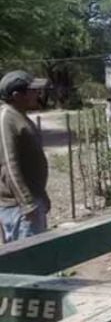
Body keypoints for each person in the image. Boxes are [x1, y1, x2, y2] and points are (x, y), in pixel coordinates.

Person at [0, 71, 49, 243]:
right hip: (19, 208)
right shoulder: (6, 119)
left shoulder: (19, 116)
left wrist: (41, 195)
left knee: (36, 257)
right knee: (29, 261)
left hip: (31, 201)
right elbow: (9, 165)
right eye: (33, 90)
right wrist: (27, 203)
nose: (37, 94)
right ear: (17, 95)